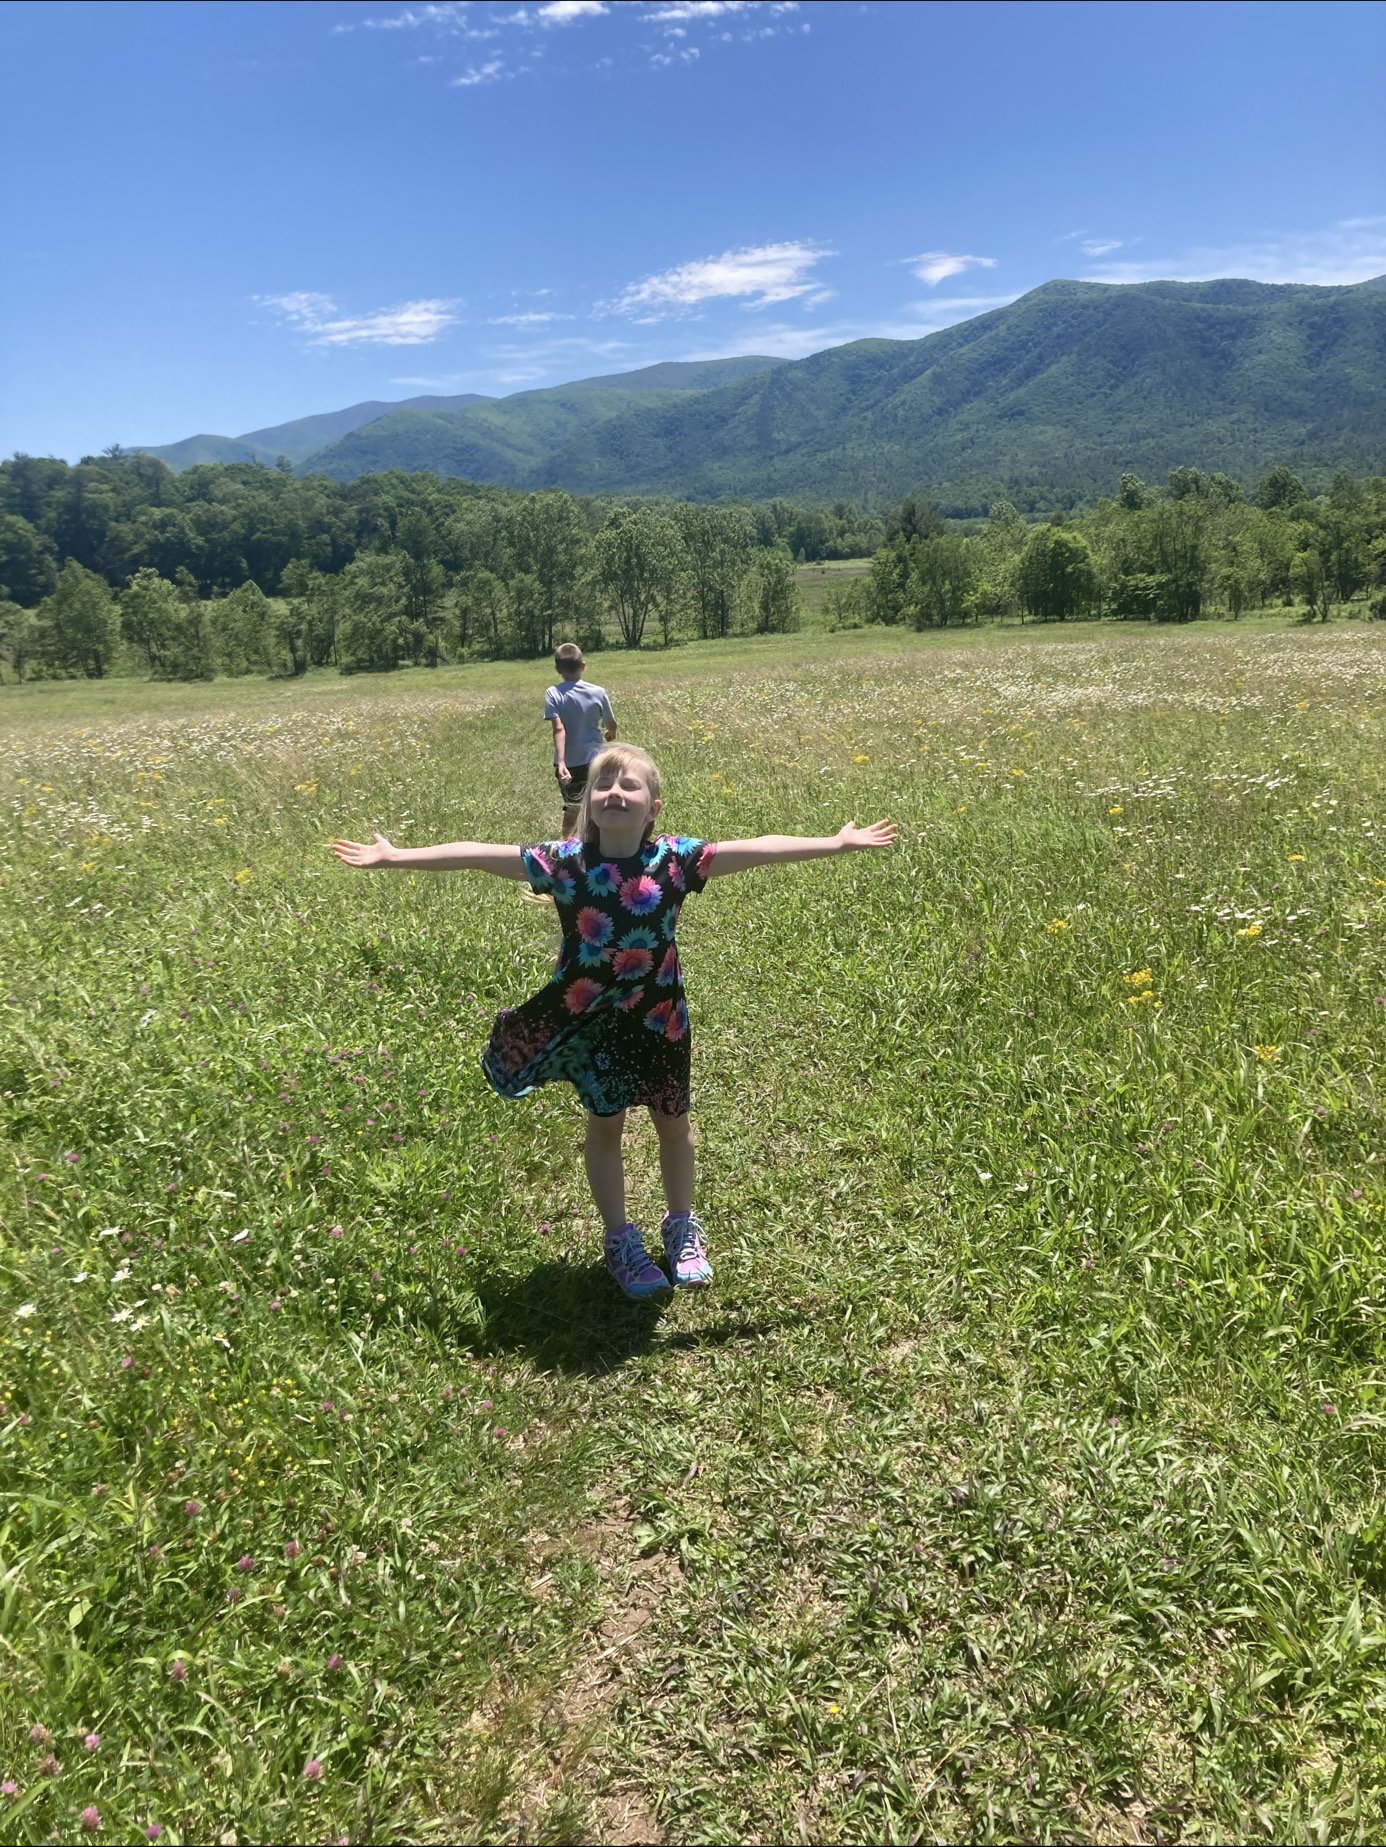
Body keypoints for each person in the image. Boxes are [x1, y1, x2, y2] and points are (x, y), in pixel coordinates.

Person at [332, 744, 897, 1300]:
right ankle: (620, 1239)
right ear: (588, 803)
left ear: (653, 806)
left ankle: (681, 1228)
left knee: (673, 1122)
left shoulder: (676, 860)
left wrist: (837, 843)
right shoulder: (563, 864)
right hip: (593, 1022)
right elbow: (479, 853)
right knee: (606, 1126)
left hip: (661, 1018)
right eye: (603, 784)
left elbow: (762, 848)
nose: (614, 793)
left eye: (630, 785)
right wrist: (395, 855)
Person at [545, 642, 617, 837]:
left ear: (558, 669)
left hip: (570, 764)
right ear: (583, 666)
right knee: (596, 804)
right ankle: (597, 844)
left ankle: (567, 848)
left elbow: (559, 729)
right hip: (596, 760)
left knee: (572, 807)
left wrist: (561, 762)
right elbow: (611, 723)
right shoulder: (598, 692)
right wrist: (611, 734)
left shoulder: (553, 693)